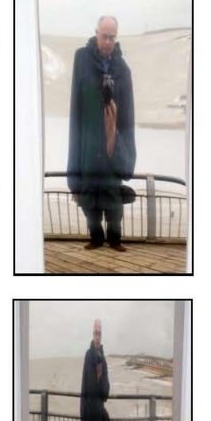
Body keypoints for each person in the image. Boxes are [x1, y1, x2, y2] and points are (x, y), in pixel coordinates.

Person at [67, 16, 137, 252]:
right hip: (88, 141)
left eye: (111, 37)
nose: (107, 41)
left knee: (112, 193)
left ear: (116, 38)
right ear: (96, 33)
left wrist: (125, 151)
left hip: (111, 141)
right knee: (89, 195)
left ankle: (115, 239)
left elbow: (128, 118)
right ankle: (96, 238)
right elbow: (75, 105)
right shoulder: (81, 59)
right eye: (104, 36)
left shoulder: (122, 70)